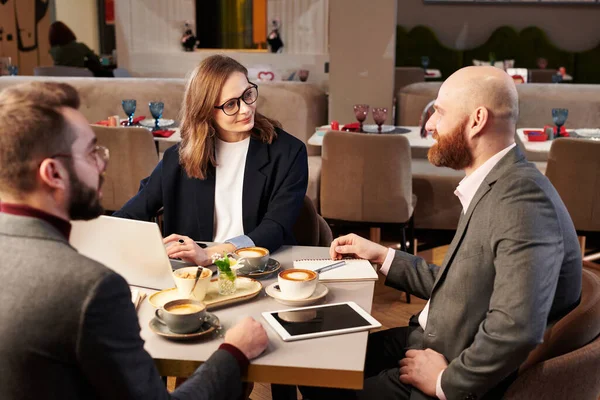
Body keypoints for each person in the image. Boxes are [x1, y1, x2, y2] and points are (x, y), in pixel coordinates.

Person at [301, 66, 582, 400]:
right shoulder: (498, 183)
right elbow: (464, 284)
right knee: (314, 363)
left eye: (439, 111)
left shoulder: (523, 200)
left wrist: (445, 382)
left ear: (477, 120)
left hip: (453, 364)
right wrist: (383, 255)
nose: (429, 124)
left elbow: (517, 329)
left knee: (321, 378)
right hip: (430, 340)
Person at [0, 81, 269, 399]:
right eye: (91, 153)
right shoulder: (92, 288)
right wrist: (234, 352)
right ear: (53, 173)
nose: (103, 164)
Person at [113, 55, 308, 265]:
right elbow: (130, 215)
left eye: (248, 94)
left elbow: (275, 227)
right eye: (231, 104)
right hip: (194, 275)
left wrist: (212, 253)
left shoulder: (289, 152)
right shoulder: (178, 158)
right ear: (205, 111)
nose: (246, 108)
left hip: (261, 267)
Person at [49, 21, 113, 77]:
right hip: (79, 81)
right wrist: (106, 60)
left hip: (62, 83)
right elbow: (96, 60)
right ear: (68, 32)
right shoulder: (81, 47)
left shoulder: (53, 52)